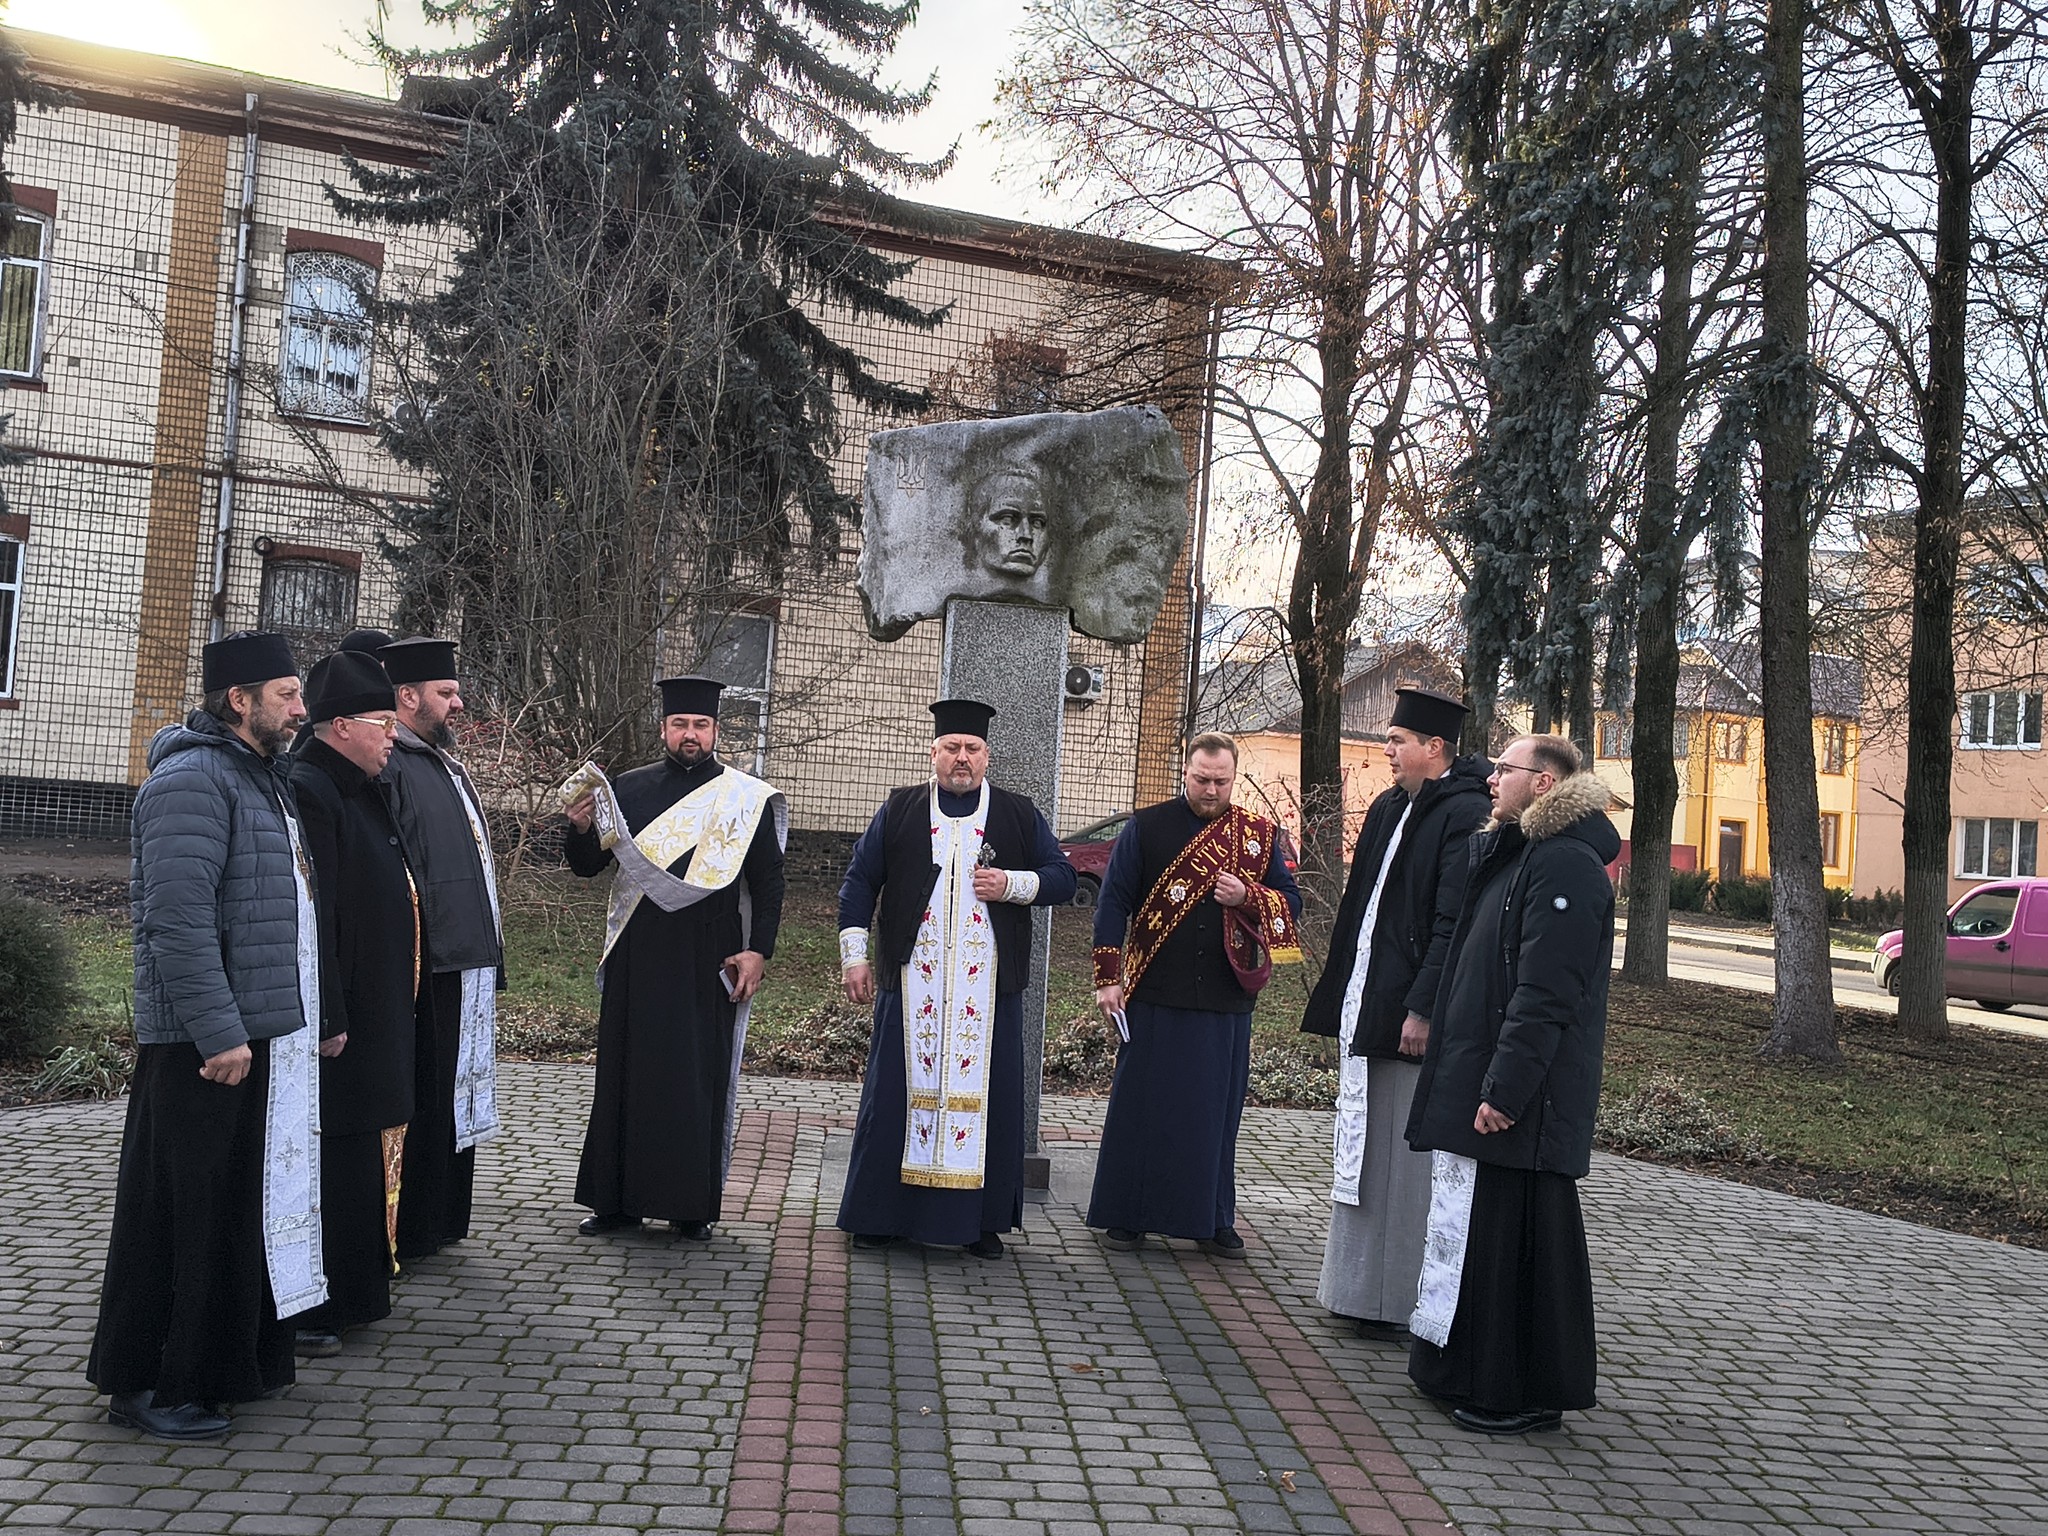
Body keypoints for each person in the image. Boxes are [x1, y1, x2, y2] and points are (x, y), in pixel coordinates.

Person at [88, 631, 325, 1439]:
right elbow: (177, 924)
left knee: (224, 1215)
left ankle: (221, 1366)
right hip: (200, 1047)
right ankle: (149, 1384)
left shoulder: (262, 778)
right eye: (288, 695)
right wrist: (219, 1032)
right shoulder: (190, 782)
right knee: (172, 1220)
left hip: (248, 1038)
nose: (302, 709)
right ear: (240, 700)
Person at [1404, 734, 1618, 1436]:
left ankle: (1521, 1389)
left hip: (1525, 1096)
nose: (1491, 778)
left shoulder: (1566, 866)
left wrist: (1505, 1088)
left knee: (1523, 1247)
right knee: (1481, 1237)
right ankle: (1464, 1367)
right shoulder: (1518, 851)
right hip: (1488, 1078)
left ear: (1546, 784)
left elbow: (1545, 995)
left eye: (1506, 768)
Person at [835, 699, 1076, 1258]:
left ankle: (980, 1223)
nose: (961, 758)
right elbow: (858, 884)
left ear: (987, 757)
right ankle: (880, 1215)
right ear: (934, 753)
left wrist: (1012, 885)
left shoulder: (1017, 814)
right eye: (951, 748)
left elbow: (1063, 877)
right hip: (912, 982)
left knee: (989, 1099)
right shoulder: (899, 809)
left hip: (987, 991)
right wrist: (855, 957)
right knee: (894, 1098)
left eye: (971, 749)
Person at [564, 675, 787, 1240]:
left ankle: (690, 1208)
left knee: (694, 1077)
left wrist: (758, 949)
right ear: (663, 728)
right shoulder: (627, 789)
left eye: (702, 725)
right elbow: (588, 867)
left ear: (716, 731)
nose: (691, 734)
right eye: (681, 724)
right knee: (624, 1073)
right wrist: (581, 827)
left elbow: (769, 881)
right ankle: (616, 1204)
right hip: (637, 951)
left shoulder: (744, 797)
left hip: (707, 950)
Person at [1300, 688, 1490, 1340]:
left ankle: (1392, 1299)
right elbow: (1362, 910)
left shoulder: (1463, 813)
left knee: (1400, 1162)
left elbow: (1450, 925)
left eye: (1398, 740)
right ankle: (1353, 1289)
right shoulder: (1389, 806)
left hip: (1409, 1019)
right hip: (1371, 1001)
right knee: (1364, 1150)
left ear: (1434, 747)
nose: (1387, 748)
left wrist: (1422, 1009)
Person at [1087, 732, 1301, 1257]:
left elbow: (1292, 903)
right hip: (1156, 989)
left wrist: (1249, 896)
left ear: (1233, 777)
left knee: (1214, 1117)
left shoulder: (1258, 834)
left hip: (1226, 998)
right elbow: (1113, 902)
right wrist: (1107, 977)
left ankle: (1212, 1219)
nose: (1210, 790)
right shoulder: (1147, 826)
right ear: (1185, 772)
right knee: (1143, 1108)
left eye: (1221, 781)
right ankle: (1128, 1215)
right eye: (1201, 779)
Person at [287, 650, 418, 1353]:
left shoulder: (366, 783)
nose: (393, 733)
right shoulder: (314, 788)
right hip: (344, 1016)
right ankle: (320, 1304)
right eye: (382, 722)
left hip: (379, 1004)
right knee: (337, 1153)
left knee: (367, 1145)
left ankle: (359, 1289)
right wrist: (329, 1013)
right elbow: (320, 914)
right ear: (340, 725)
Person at [376, 636, 503, 1259]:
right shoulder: (390, 762)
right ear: (408, 697)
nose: (458, 703)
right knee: (430, 1094)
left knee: (458, 1092)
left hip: (467, 958)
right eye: (446, 693)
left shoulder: (443, 764)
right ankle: (418, 1225)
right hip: (430, 962)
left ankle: (446, 1218)